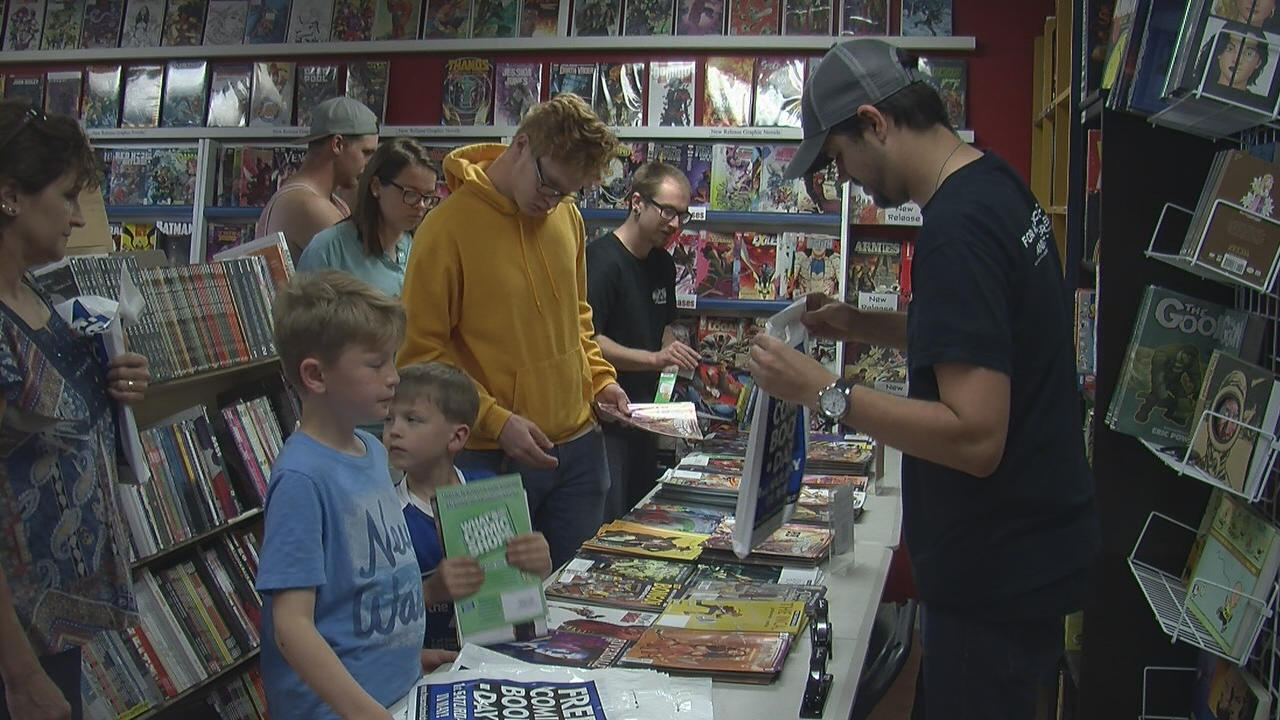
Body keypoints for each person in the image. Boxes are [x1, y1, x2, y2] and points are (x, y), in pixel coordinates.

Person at [744, 39, 1100, 720]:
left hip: (994, 576)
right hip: (1022, 560)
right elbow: (984, 336)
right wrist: (860, 324)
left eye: (841, 159)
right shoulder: (994, 184)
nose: (846, 179)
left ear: (875, 122)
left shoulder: (957, 231)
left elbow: (975, 437)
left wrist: (824, 390)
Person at [398, 93, 630, 569]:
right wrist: (496, 420)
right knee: (497, 616)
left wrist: (601, 380)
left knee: (578, 605)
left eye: (567, 192)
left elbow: (577, 316)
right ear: (521, 145)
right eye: (549, 185)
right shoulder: (445, 229)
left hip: (581, 450)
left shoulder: (565, 216)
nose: (552, 202)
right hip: (490, 460)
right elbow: (419, 354)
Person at [0, 100, 153, 720]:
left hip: (55, 625)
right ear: (10, 197)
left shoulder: (35, 293)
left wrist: (112, 382)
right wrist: (19, 673)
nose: (78, 216)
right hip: (16, 641)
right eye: (67, 196)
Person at [254, 270, 452, 720]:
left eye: (392, 360)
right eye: (375, 363)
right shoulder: (303, 478)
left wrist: (404, 662)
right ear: (316, 375)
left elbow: (366, 590)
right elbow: (292, 626)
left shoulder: (370, 453)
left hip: (396, 694)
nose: (393, 377)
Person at [384, 361, 553, 650]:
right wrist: (428, 592)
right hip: (428, 664)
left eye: (412, 420)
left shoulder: (489, 491)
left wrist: (541, 562)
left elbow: (530, 578)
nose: (394, 431)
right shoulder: (384, 514)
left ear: (457, 437)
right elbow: (374, 617)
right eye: (389, 419)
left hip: (501, 650)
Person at [585, 161, 700, 521]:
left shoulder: (662, 264)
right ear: (637, 202)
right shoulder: (600, 263)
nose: (675, 224)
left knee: (640, 515)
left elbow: (663, 328)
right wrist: (654, 359)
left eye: (682, 215)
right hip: (606, 421)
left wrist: (668, 380)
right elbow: (588, 340)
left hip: (646, 420)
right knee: (611, 519)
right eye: (667, 211)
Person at [297, 139, 439, 299]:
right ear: (376, 186)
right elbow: (302, 320)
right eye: (411, 193)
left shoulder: (422, 248)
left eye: (428, 197)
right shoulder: (328, 250)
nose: (421, 205)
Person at [256, 97, 380, 264]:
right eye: (366, 152)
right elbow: (367, 274)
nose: (369, 164)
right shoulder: (310, 206)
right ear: (337, 144)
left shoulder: (326, 201)